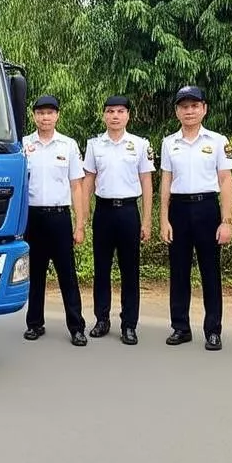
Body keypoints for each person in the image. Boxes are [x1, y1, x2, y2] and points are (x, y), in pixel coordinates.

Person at [158, 86, 232, 351]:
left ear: (204, 108)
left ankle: (213, 330)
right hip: (179, 210)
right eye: (183, 106)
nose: (189, 111)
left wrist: (227, 220)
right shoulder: (170, 142)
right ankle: (180, 327)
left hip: (207, 209)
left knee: (210, 272)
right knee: (178, 271)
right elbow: (166, 181)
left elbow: (226, 181)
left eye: (194, 106)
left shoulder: (217, 141)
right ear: (177, 111)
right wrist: (163, 218)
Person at [82, 95, 155, 344]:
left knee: (129, 270)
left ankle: (129, 324)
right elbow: (88, 180)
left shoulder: (140, 144)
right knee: (101, 268)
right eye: (110, 111)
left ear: (128, 116)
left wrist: (146, 220)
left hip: (128, 212)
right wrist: (82, 215)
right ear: (104, 115)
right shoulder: (94, 145)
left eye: (120, 111)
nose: (115, 116)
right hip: (103, 212)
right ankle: (102, 319)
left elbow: (146, 182)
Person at [22, 95, 88, 346]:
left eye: (50, 113)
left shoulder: (68, 145)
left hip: (60, 217)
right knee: (35, 273)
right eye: (40, 113)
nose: (45, 117)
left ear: (57, 115)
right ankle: (34, 323)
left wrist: (80, 223)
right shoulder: (25, 144)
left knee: (67, 274)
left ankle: (76, 326)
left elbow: (77, 187)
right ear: (34, 116)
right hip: (33, 217)